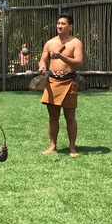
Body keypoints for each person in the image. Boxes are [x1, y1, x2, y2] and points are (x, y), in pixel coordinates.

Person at [38, 13, 84, 156]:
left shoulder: (76, 43)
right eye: (58, 23)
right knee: (53, 117)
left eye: (63, 23)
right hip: (52, 82)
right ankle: (52, 146)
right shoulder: (50, 43)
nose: (60, 26)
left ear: (70, 26)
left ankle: (72, 147)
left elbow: (78, 63)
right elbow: (42, 60)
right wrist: (42, 67)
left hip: (69, 81)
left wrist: (61, 56)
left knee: (70, 117)